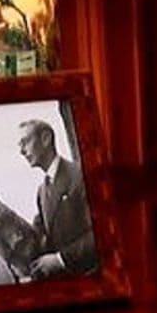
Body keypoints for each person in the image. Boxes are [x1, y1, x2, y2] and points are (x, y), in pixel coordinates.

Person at [17, 118, 100, 279]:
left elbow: (99, 235)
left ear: (46, 138)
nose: (21, 151)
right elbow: (39, 238)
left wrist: (60, 259)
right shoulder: (41, 192)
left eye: (25, 142)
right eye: (19, 146)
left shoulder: (81, 175)